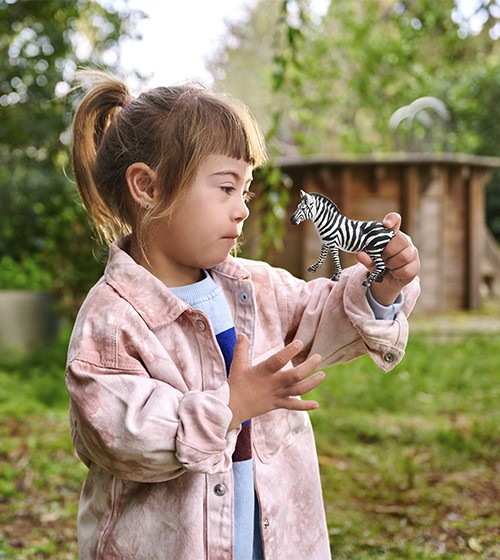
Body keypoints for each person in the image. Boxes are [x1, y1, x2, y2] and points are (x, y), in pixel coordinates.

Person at [66, 70, 420, 560]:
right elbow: (121, 438)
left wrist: (383, 284)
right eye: (226, 188)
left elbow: (324, 317)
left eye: (246, 191)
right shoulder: (112, 320)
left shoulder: (256, 287)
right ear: (147, 186)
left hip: (269, 539)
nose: (242, 211)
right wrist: (231, 406)